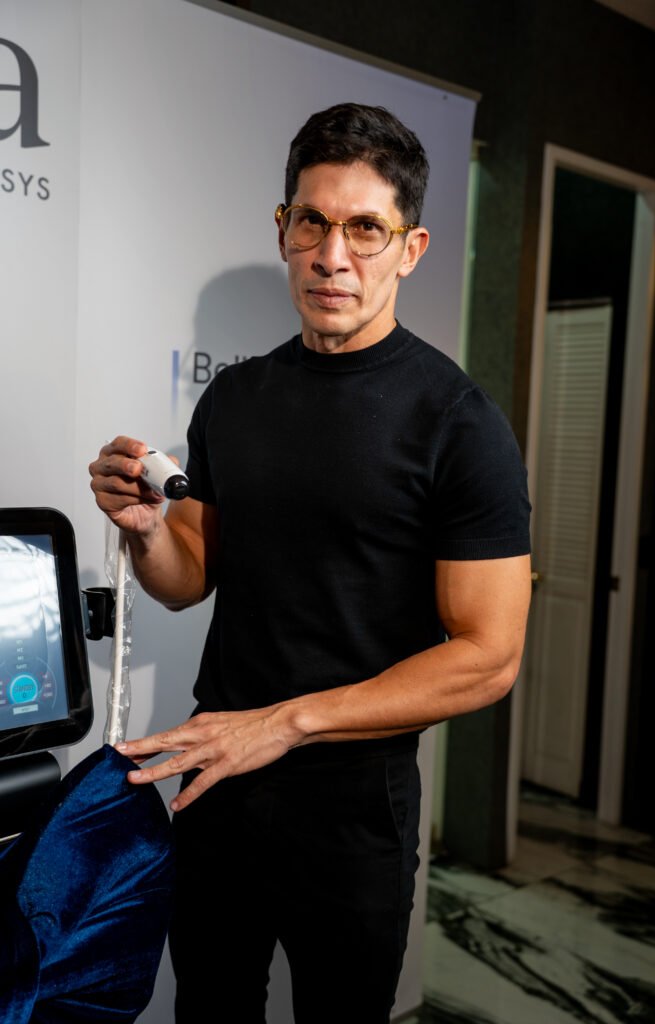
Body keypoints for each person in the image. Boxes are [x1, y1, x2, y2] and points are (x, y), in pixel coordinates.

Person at [88, 102, 532, 1024]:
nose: (333, 256)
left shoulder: (458, 423)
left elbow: (487, 656)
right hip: (218, 777)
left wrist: (284, 724)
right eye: (311, 222)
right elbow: (190, 578)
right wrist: (147, 532)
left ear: (409, 249)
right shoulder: (235, 397)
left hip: (352, 804)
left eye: (365, 229)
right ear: (283, 230)